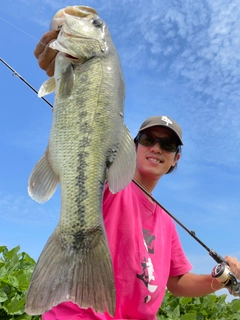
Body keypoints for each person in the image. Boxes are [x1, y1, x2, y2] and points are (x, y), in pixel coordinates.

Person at [34, 31, 240, 320]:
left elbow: (177, 282)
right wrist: (68, 67)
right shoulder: (110, 184)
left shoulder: (166, 222)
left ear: (174, 160)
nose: (156, 148)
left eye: (167, 145)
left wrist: (217, 281)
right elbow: (87, 129)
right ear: (132, 145)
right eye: (148, 139)